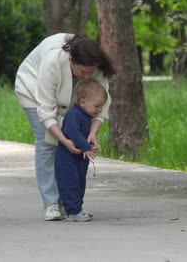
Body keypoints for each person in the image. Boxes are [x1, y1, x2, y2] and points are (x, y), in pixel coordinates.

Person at [14, 33, 115, 221]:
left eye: (89, 72)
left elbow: (101, 106)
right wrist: (64, 140)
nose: (87, 77)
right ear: (70, 61)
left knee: (72, 144)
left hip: (66, 98)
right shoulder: (52, 62)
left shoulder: (95, 68)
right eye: (82, 72)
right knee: (48, 142)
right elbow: (46, 111)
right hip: (32, 88)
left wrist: (92, 133)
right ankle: (51, 203)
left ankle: (67, 202)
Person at [55, 79, 108, 222]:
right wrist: (85, 147)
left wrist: (90, 142)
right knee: (71, 183)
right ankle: (73, 211)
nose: (100, 110)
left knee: (80, 182)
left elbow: (86, 134)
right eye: (97, 106)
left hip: (79, 158)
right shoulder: (74, 115)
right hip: (67, 158)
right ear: (83, 102)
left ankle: (77, 208)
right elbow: (72, 131)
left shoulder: (86, 116)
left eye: (101, 107)